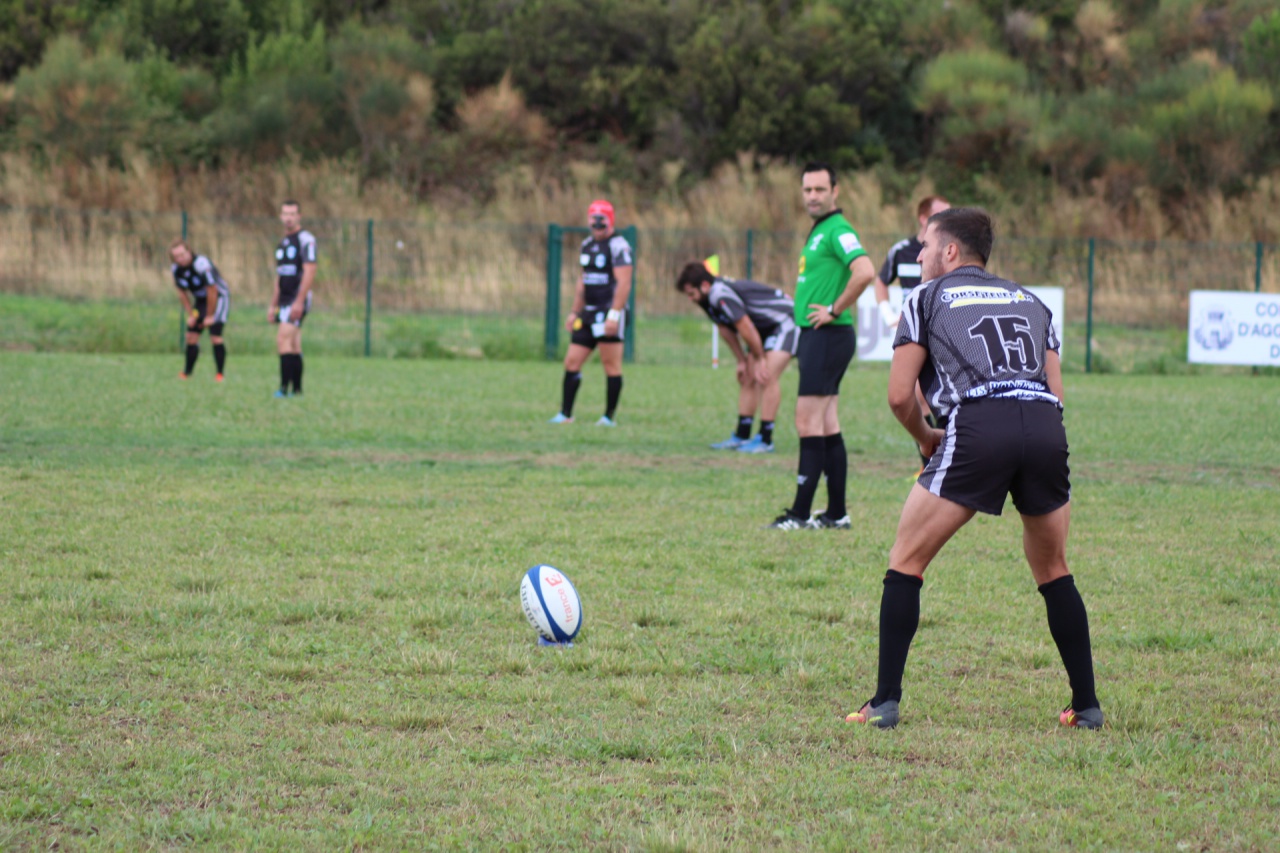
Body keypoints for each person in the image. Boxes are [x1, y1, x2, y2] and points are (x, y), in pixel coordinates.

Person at [845, 207, 1102, 731]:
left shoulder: (926, 298)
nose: (917, 255)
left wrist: (926, 440)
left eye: (925, 245)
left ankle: (884, 702)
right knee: (1054, 569)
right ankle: (1088, 705)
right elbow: (1056, 394)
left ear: (952, 251)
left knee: (906, 561)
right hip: (1045, 427)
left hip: (981, 426)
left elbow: (899, 397)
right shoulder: (1032, 301)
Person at [767, 163, 876, 530]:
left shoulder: (838, 230)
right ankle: (836, 514)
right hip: (819, 336)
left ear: (835, 191)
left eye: (819, 189)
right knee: (827, 423)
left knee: (807, 421)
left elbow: (865, 271)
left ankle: (798, 515)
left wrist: (833, 309)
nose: (812, 196)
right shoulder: (821, 231)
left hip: (827, 336)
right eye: (807, 190)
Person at [675, 261, 797, 453]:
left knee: (767, 376)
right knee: (748, 377)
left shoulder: (720, 293)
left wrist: (759, 358)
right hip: (762, 330)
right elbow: (725, 328)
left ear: (705, 286)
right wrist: (741, 360)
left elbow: (745, 326)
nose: (690, 299)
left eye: (691, 294)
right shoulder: (706, 299)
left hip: (786, 321)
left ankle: (765, 439)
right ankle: (741, 436)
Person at [872, 195, 951, 467]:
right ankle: (930, 465)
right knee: (919, 397)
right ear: (923, 217)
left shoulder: (950, 250)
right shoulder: (902, 250)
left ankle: (934, 463)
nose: (947, 217)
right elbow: (880, 281)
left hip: (942, 331)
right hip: (914, 333)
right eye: (941, 213)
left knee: (926, 397)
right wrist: (888, 314)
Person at [549, 199, 633, 426]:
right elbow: (582, 281)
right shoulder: (586, 244)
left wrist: (614, 315)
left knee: (610, 364)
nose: (597, 223)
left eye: (602, 219)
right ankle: (565, 414)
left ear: (610, 220)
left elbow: (624, 283)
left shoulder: (619, 246)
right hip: (587, 313)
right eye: (593, 219)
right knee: (571, 362)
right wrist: (574, 312)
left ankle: (608, 417)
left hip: (608, 314)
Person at [269, 200, 317, 398]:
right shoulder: (283, 242)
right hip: (284, 299)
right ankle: (297, 390)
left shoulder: (305, 239)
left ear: (299, 216)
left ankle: (283, 389)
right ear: (281, 216)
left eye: (292, 214)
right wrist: (273, 304)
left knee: (283, 339)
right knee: (294, 343)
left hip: (296, 299)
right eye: (285, 214)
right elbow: (280, 276)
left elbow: (310, 269)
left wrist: (299, 301)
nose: (288, 218)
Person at [169, 239, 231, 382]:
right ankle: (187, 372)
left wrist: (209, 316)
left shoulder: (201, 264)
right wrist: (191, 314)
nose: (180, 259)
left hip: (219, 297)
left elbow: (212, 290)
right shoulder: (176, 269)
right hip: (201, 300)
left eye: (182, 255)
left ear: (189, 251)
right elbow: (182, 293)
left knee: (215, 336)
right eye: (176, 256)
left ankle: (220, 374)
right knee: (191, 336)